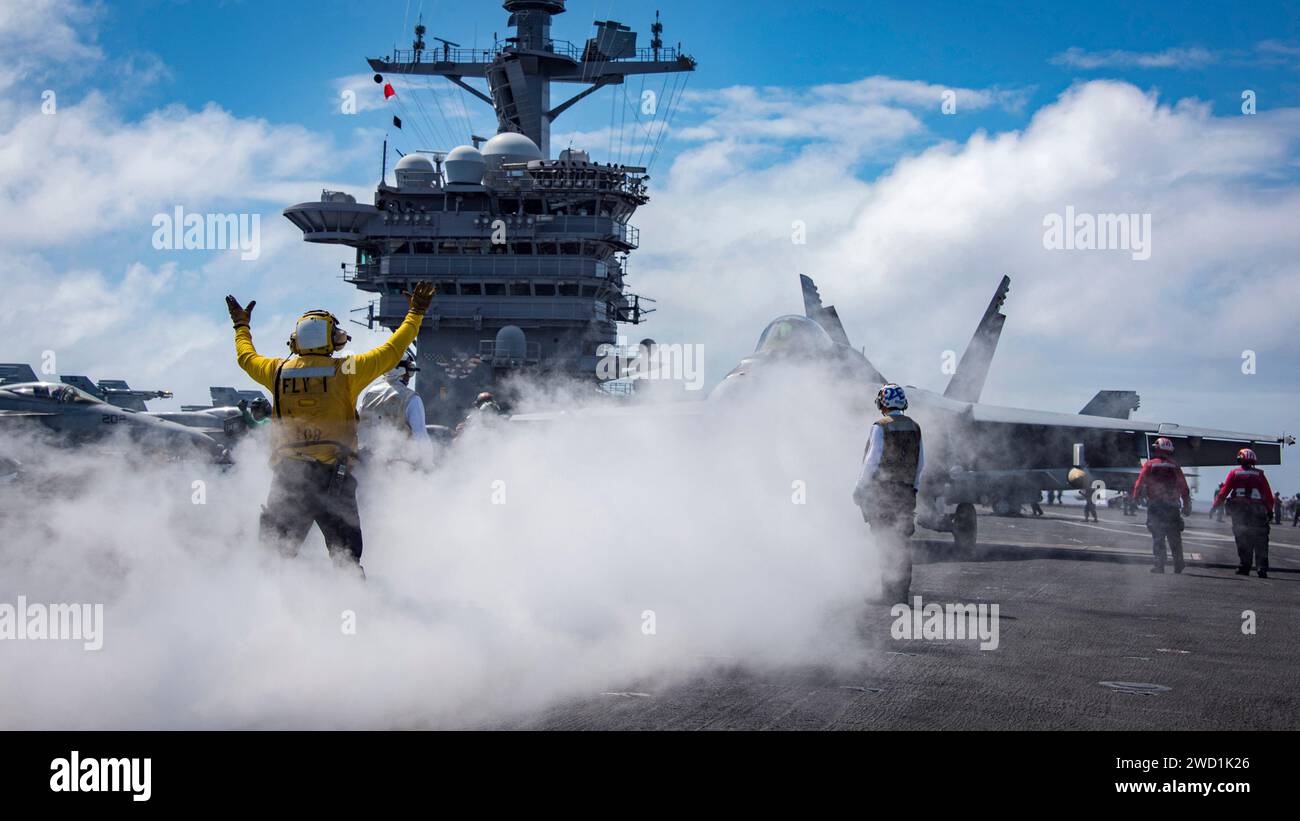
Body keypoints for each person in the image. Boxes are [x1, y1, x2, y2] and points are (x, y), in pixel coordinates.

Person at [224, 283, 435, 574]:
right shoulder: (346, 371)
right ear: (332, 339)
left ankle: (269, 610)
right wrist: (415, 313)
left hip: (289, 477)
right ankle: (354, 607)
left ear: (295, 341)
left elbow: (245, 358)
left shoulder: (278, 371)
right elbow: (393, 349)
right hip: (333, 479)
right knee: (347, 561)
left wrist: (240, 326)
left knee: (273, 559)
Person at [853, 383, 925, 603]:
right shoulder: (914, 427)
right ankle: (901, 594)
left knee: (885, 542)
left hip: (883, 493)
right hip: (906, 493)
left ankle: (888, 593)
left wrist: (859, 488)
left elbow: (872, 462)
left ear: (882, 403)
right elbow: (920, 463)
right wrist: (913, 489)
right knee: (901, 542)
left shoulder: (880, 426)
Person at [1130, 437, 1191, 574]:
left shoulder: (1150, 464)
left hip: (1156, 505)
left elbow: (1139, 482)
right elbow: (1183, 486)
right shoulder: (1175, 466)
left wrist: (1134, 498)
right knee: (1174, 536)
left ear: (1157, 449)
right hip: (1173, 506)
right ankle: (1178, 562)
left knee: (1158, 536)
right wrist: (1186, 503)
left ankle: (1159, 565)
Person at [1210, 448, 1274, 578]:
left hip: (1240, 512)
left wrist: (1215, 507)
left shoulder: (1234, 473)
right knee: (1261, 540)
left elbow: (1223, 492)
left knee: (1243, 539)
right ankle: (1262, 568)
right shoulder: (1260, 474)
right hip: (1258, 512)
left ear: (1240, 459)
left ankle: (1245, 566)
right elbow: (1268, 495)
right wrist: (1269, 510)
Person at [358, 355, 431, 461]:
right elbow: (421, 439)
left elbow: (358, 426)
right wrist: (428, 464)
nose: (409, 376)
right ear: (401, 370)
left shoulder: (369, 393)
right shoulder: (411, 398)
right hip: (397, 467)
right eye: (409, 371)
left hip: (365, 464)